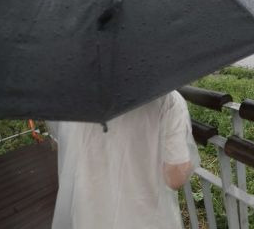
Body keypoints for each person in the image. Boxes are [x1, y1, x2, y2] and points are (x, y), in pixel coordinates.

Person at [46, 91, 200, 229]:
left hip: (90, 214)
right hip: (146, 217)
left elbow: (63, 146)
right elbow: (175, 179)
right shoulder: (168, 98)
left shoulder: (71, 98)